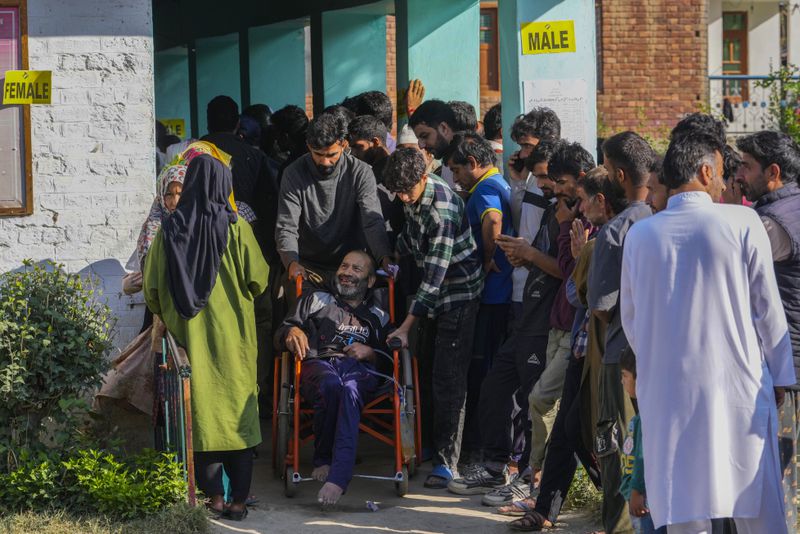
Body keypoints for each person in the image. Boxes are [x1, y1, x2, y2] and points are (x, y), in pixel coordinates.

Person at [620, 132, 794, 533]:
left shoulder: (641, 235)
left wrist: (655, 362)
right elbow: (767, 308)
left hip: (668, 391)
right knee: (757, 502)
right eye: (720, 173)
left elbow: (632, 319)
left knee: (684, 505)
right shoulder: (742, 221)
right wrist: (781, 375)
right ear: (704, 171)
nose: (724, 182)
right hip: (740, 383)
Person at [143, 152, 269, 521]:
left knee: (203, 418)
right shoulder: (237, 229)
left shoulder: (168, 232)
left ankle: (214, 498)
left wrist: (170, 311)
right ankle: (239, 502)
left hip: (189, 343)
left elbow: (151, 290)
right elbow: (258, 279)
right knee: (238, 422)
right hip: (236, 345)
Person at [508, 166, 620, 529]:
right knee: (568, 431)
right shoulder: (593, 234)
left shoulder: (603, 239)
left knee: (582, 428)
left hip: (601, 354)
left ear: (600, 200)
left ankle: (612, 500)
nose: (578, 208)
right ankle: (545, 508)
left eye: (582, 200)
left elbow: (581, 295)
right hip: (580, 344)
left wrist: (577, 255)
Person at [382, 147, 483, 489]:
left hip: (458, 295)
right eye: (397, 192)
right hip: (433, 295)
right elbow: (409, 240)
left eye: (406, 191)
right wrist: (390, 256)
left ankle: (447, 462)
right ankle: (428, 446)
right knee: (426, 372)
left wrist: (406, 326)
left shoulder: (441, 210)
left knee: (448, 380)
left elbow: (433, 279)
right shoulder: (412, 197)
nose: (402, 198)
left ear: (423, 178)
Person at [471, 141, 557, 507]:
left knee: (533, 399)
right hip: (523, 308)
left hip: (545, 316)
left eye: (544, 176)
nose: (541, 183)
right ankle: (495, 465)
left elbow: (566, 271)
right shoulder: (536, 196)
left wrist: (530, 255)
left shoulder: (568, 209)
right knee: (495, 385)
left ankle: (528, 477)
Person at [275, 251, 391, 506]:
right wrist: (292, 330)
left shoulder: (378, 313)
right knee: (331, 385)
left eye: (356, 269)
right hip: (319, 364)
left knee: (348, 389)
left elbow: (391, 358)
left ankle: (336, 475)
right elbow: (282, 329)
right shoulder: (316, 299)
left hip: (360, 370)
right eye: (344, 266)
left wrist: (371, 352)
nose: (347, 272)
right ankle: (325, 460)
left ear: (370, 281)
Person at [735, 130, 800, 531]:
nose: (739, 174)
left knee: (783, 477)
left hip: (786, 364)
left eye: (746, 166)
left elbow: (737, 275)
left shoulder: (772, 224)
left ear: (772, 172)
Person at [591, 130, 656, 534]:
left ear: (617, 174)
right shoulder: (663, 219)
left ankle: (619, 525)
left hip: (621, 356)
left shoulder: (615, 231)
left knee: (619, 444)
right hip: (663, 355)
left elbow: (601, 307)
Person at [441, 132, 513, 473]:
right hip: (500, 292)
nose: (454, 179)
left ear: (473, 164)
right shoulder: (496, 182)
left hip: (494, 293)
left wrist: (487, 257)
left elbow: (493, 221)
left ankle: (483, 450)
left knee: (484, 370)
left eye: (457, 171)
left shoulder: (485, 189)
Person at [275, 112, 393, 306]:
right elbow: (286, 226)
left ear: (344, 145)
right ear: (308, 146)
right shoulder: (293, 173)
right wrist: (291, 262)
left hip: (352, 266)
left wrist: (383, 258)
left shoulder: (361, 172)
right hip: (308, 268)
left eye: (331, 155)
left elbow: (372, 220)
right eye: (318, 154)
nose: (325, 162)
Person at [618, 348, 665, 534]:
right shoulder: (641, 415)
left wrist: (636, 490)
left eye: (625, 375)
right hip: (639, 497)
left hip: (646, 499)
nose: (622, 381)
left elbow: (642, 456)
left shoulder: (648, 417)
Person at [348, 115, 405, 248]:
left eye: (358, 147)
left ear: (375, 142)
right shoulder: (373, 173)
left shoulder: (389, 175)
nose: (354, 154)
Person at [507, 108, 561, 233]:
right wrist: (518, 182)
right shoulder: (531, 176)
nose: (522, 155)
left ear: (548, 142)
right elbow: (519, 222)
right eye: (521, 146)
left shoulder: (558, 181)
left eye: (528, 146)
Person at [409, 100, 459, 189]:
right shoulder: (444, 167)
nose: (421, 146)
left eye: (425, 136)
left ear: (444, 128)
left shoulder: (467, 161)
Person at [271, 104, 310, 182]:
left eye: (276, 134)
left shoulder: (289, 170)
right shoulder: (319, 158)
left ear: (285, 137)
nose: (275, 139)